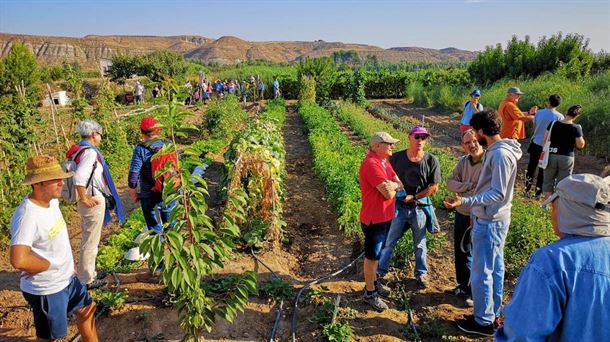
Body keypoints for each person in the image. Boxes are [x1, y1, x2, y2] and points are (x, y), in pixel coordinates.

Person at [496, 173, 610, 341]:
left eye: (554, 208)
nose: (552, 215)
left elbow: (521, 335)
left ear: (569, 210)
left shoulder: (551, 261)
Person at [444, 109, 522, 336]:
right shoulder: (502, 150)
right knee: (495, 269)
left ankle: (483, 322)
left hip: (490, 221)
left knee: (482, 272)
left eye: (474, 133)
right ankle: (491, 315)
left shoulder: (498, 155)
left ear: (480, 131)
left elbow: (497, 193)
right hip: (496, 219)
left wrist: (466, 199)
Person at [10, 155, 99, 341]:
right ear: (38, 184)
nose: (61, 182)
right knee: (50, 337)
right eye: (55, 179)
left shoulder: (52, 203)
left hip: (67, 278)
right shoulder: (27, 216)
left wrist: (68, 264)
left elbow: (56, 240)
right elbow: (18, 259)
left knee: (87, 310)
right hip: (48, 288)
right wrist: (46, 265)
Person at [377, 126, 441, 288]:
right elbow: (384, 177)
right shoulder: (397, 158)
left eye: (424, 137)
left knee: (420, 243)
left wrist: (415, 197)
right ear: (410, 137)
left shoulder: (431, 160)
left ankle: (421, 274)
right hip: (398, 206)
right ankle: (380, 271)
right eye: (417, 137)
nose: (420, 140)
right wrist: (395, 192)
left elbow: (434, 186)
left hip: (419, 207)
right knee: (390, 241)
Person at [71, 119, 125, 289]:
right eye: (100, 135)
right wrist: (84, 198)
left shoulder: (79, 150)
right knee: (91, 241)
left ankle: (89, 272)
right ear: (94, 134)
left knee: (90, 238)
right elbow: (79, 178)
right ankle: (87, 279)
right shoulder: (90, 153)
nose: (101, 138)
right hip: (92, 201)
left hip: (89, 200)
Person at [359, 132, 402, 311]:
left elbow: (399, 184)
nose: (392, 146)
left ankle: (373, 284)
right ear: (377, 146)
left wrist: (392, 185)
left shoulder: (384, 162)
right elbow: (389, 193)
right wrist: (393, 186)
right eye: (388, 143)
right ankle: (370, 294)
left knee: (377, 255)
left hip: (385, 217)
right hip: (373, 219)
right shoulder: (371, 164)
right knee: (372, 257)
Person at [445, 129, 484, 306]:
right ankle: (463, 285)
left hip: (479, 215)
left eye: (474, 140)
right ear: (463, 146)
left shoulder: (488, 162)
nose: (472, 144)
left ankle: (474, 292)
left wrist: (464, 190)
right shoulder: (463, 161)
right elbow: (450, 182)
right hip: (462, 213)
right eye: (467, 142)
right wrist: (468, 186)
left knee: (476, 254)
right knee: (461, 251)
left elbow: (483, 191)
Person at [128, 117, 173, 237]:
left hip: (149, 192)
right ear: (158, 130)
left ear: (142, 132)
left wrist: (133, 192)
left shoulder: (140, 149)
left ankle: (158, 249)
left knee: (153, 226)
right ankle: (173, 247)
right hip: (168, 189)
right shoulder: (168, 144)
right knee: (170, 221)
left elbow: (133, 174)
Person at [543, 105, 586, 198]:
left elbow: (545, 139)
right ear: (577, 116)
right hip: (566, 157)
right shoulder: (576, 128)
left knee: (548, 181)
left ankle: (546, 205)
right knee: (563, 183)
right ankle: (558, 205)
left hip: (551, 155)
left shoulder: (553, 124)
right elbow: (580, 145)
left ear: (566, 112)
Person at [525, 94, 564, 197]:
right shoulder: (560, 117)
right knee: (543, 169)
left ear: (549, 102)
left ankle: (526, 189)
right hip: (547, 147)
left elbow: (534, 128)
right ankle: (538, 192)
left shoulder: (539, 113)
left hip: (536, 143)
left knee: (531, 167)